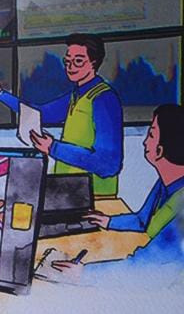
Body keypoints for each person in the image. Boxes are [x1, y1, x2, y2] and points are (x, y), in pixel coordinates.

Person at [49, 103, 184, 281]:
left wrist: (84, 273)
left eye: (151, 135)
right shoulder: (166, 183)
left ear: (160, 150)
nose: (144, 142)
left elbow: (145, 267)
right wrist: (108, 221)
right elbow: (142, 220)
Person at [0, 33, 123, 196]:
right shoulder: (76, 95)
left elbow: (109, 164)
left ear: (94, 62)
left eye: (78, 61)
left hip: (96, 195)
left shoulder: (104, 98)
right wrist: (1, 94)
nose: (70, 67)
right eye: (67, 61)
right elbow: (40, 113)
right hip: (69, 190)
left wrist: (53, 147)